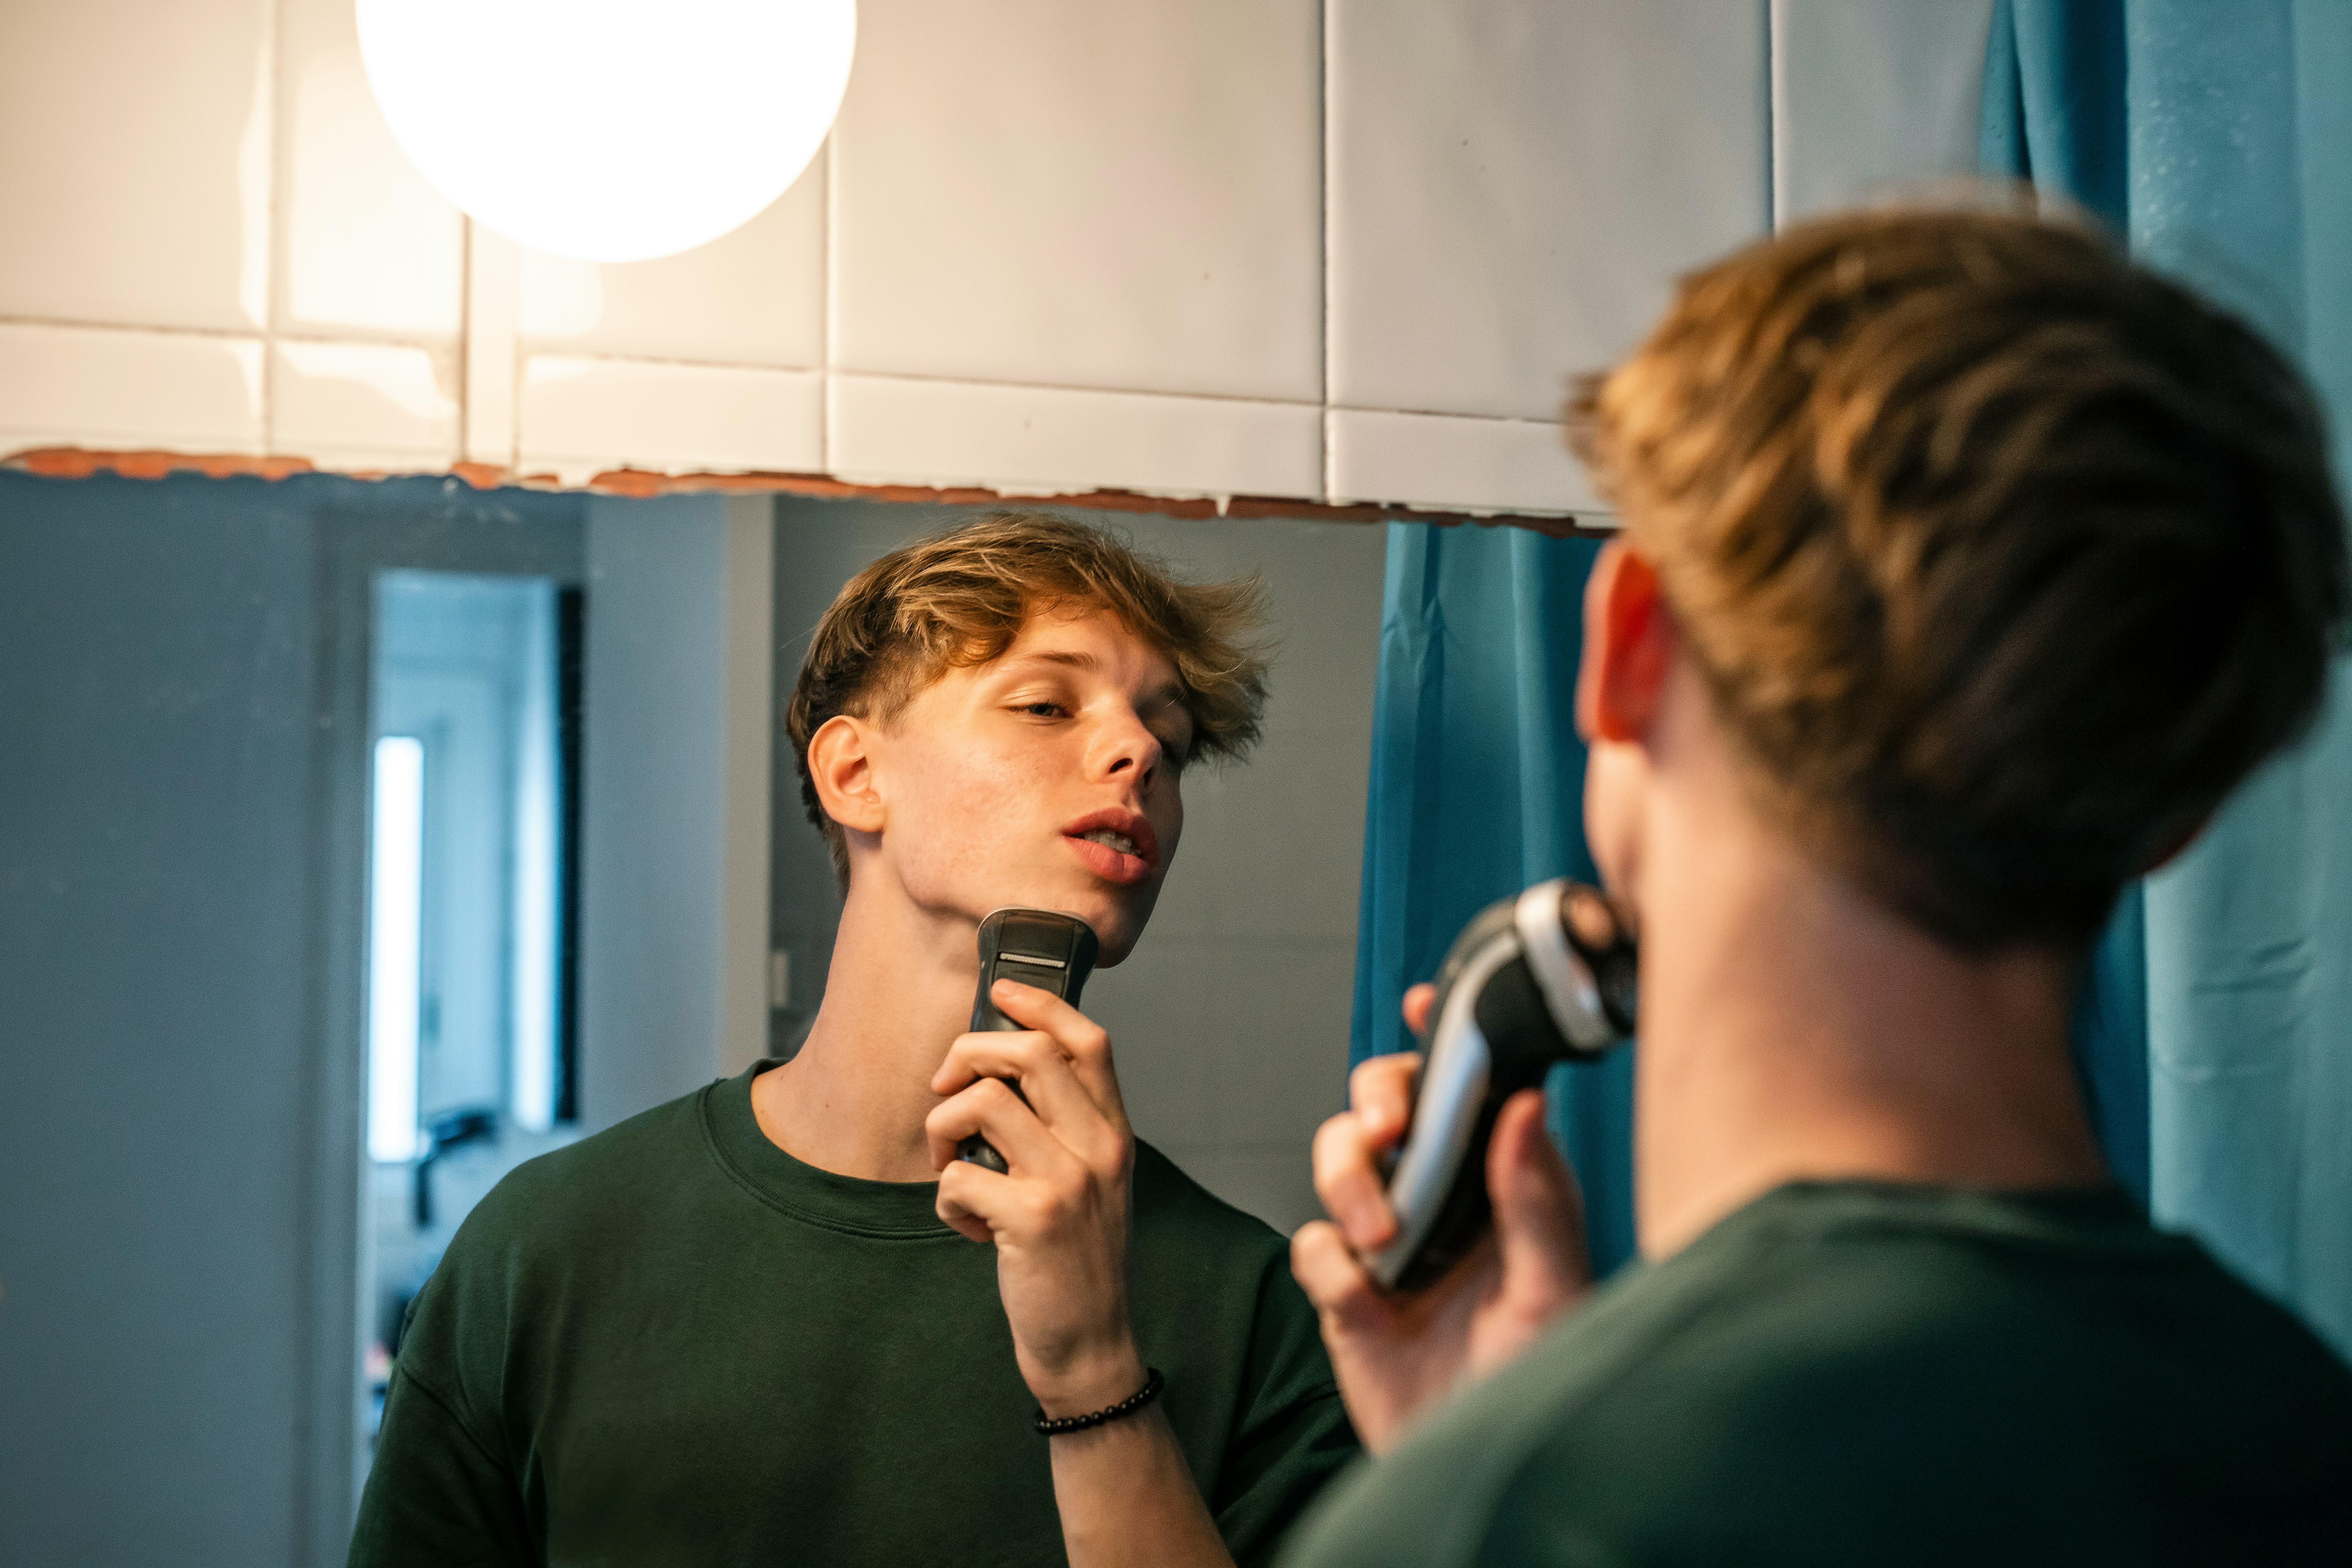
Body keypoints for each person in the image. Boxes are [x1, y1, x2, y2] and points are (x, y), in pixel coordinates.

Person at [1282, 205, 2352, 1566]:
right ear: (2175, 813)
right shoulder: (2304, 1434)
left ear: (1630, 641)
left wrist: (1499, 1471)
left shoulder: (1516, 1519)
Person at [350, 512, 1357, 1566]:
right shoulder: (542, 1254)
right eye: (1045, 704)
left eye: (1173, 740)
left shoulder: (1256, 1309)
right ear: (854, 775)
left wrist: (1097, 1372)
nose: (1141, 751)